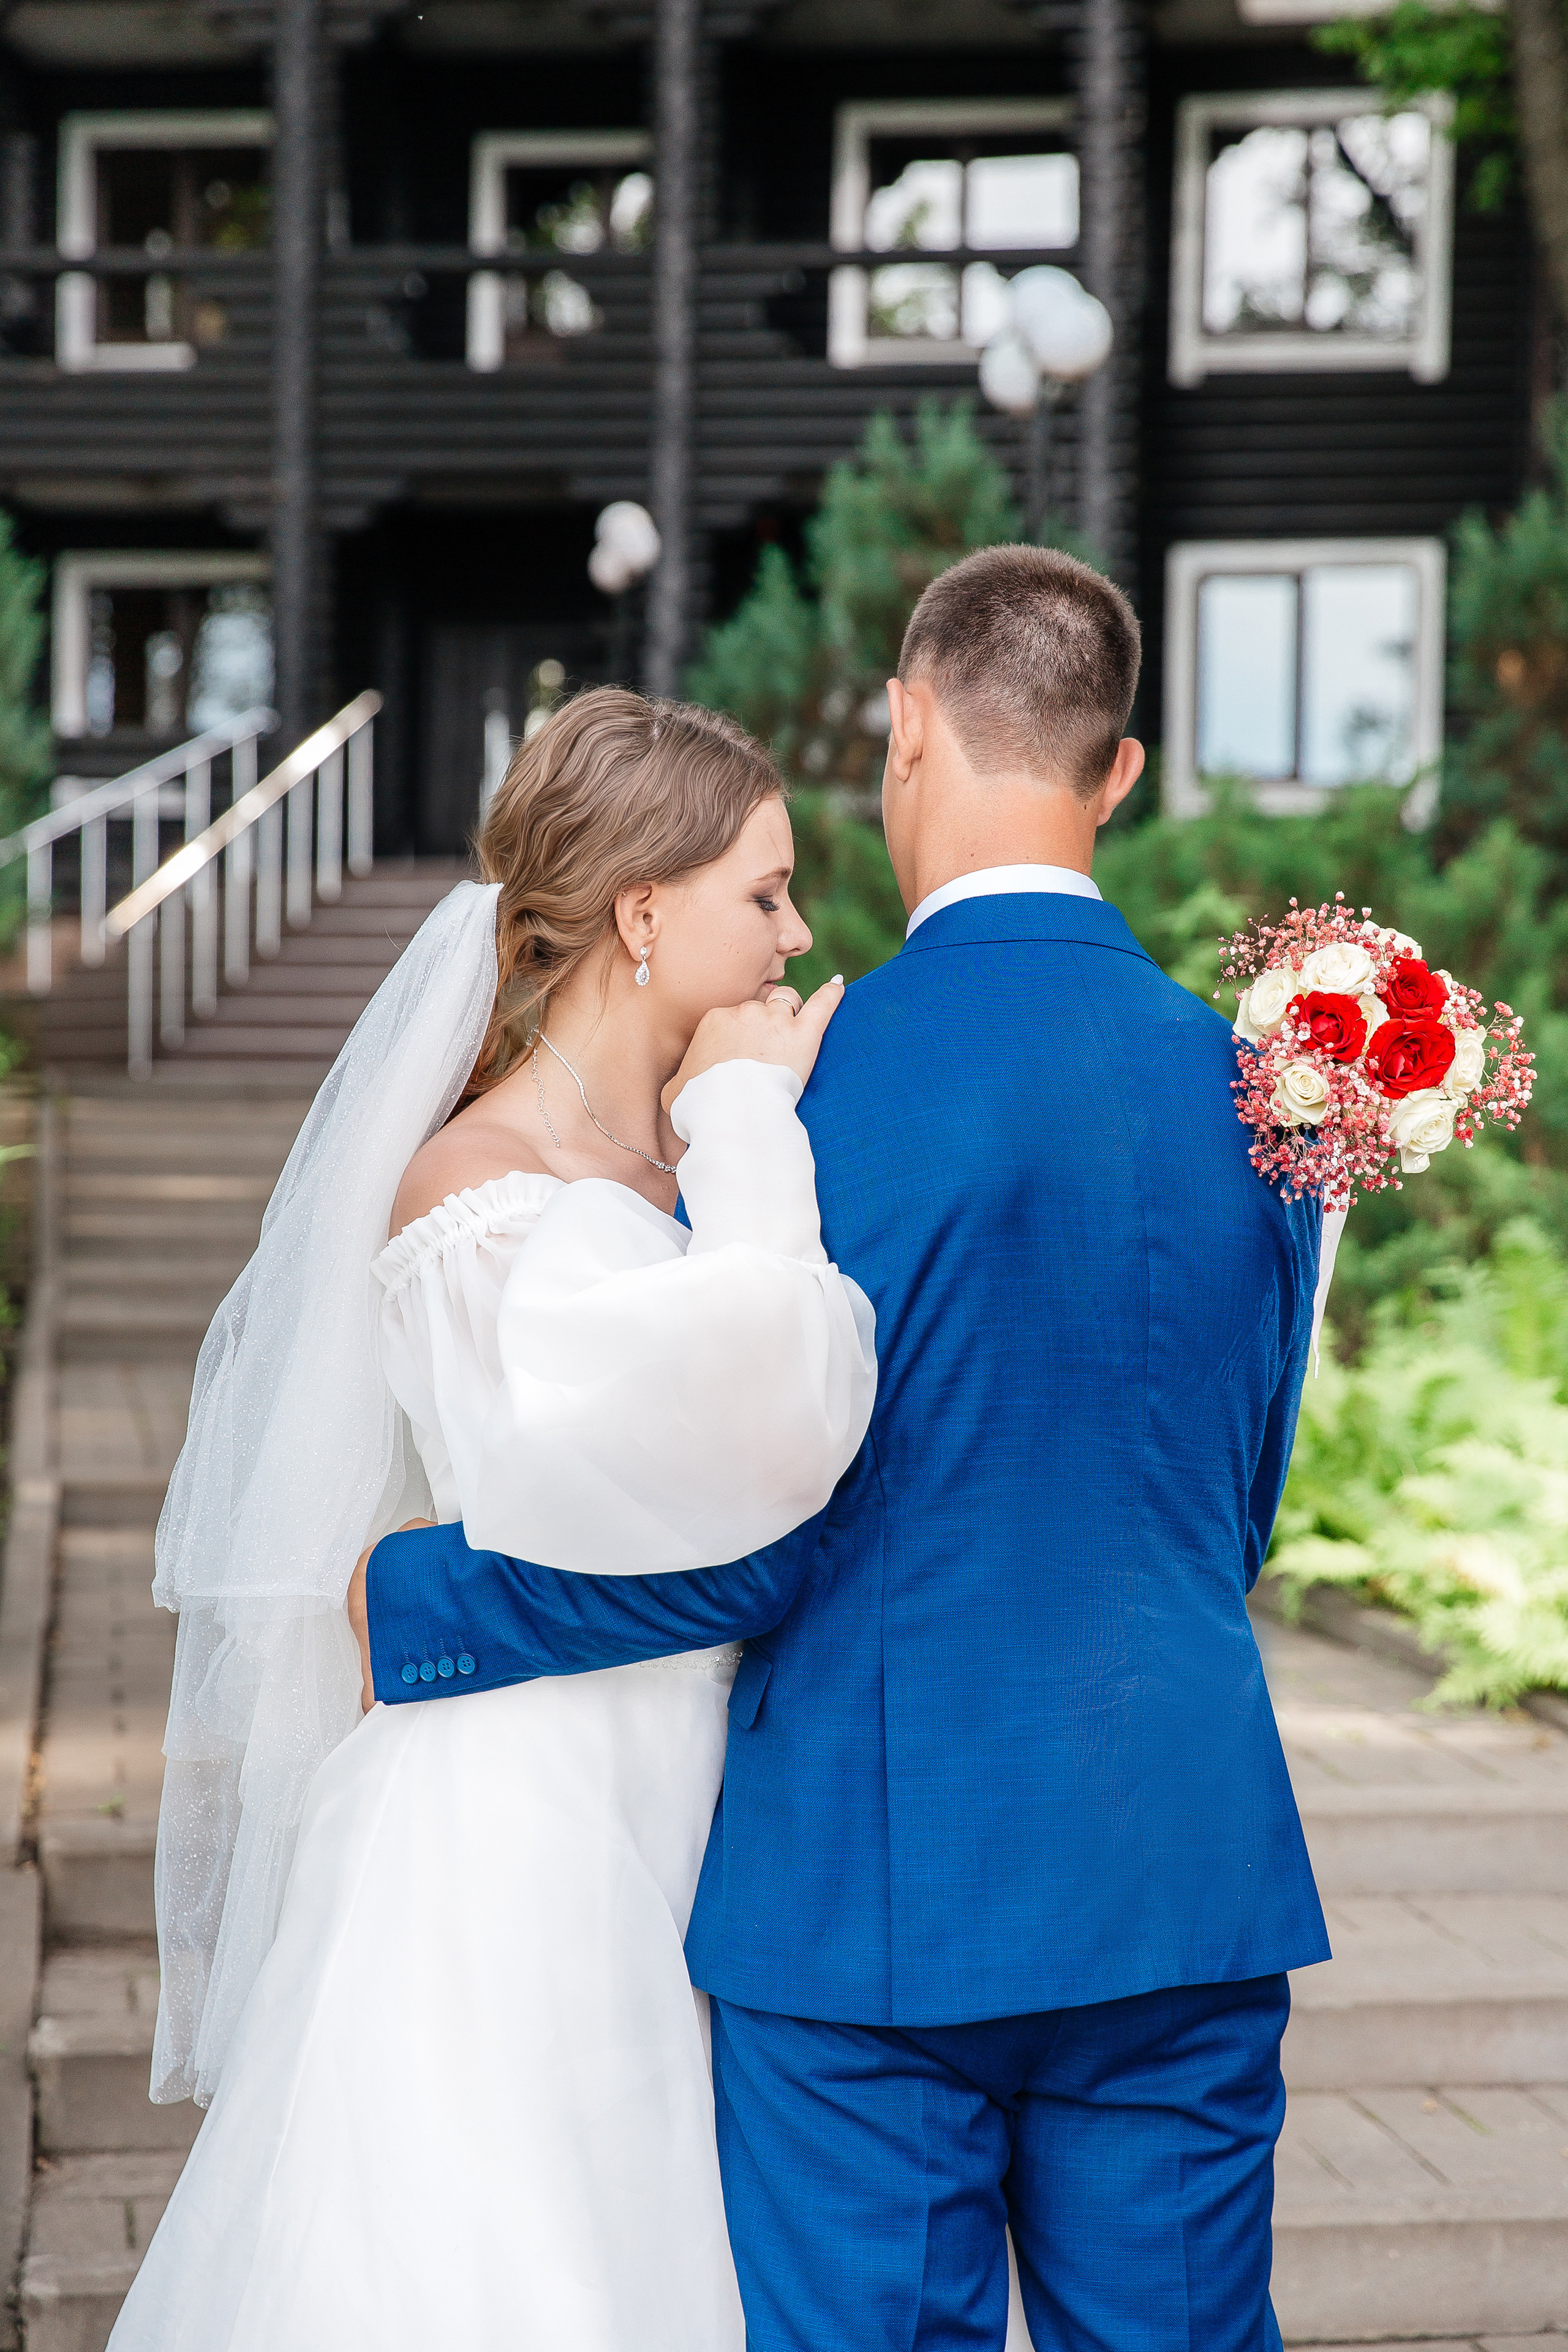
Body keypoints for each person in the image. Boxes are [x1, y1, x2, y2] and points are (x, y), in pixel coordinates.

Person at [360, 544, 1332, 2352]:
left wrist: (421, 1604)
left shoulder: (800, 1094)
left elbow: (761, 1523)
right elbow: (1237, 1502)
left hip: (874, 1900)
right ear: (1117, 771)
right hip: (1183, 1875)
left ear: (904, 726)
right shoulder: (1278, 1094)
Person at [108, 692, 877, 2351]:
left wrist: (739, 1134)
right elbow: (769, 1446)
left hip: (703, 1796)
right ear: (645, 911)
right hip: (529, 1811)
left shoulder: (671, 1157)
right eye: (765, 892)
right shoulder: (480, 1192)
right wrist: (755, 1132)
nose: (800, 933)